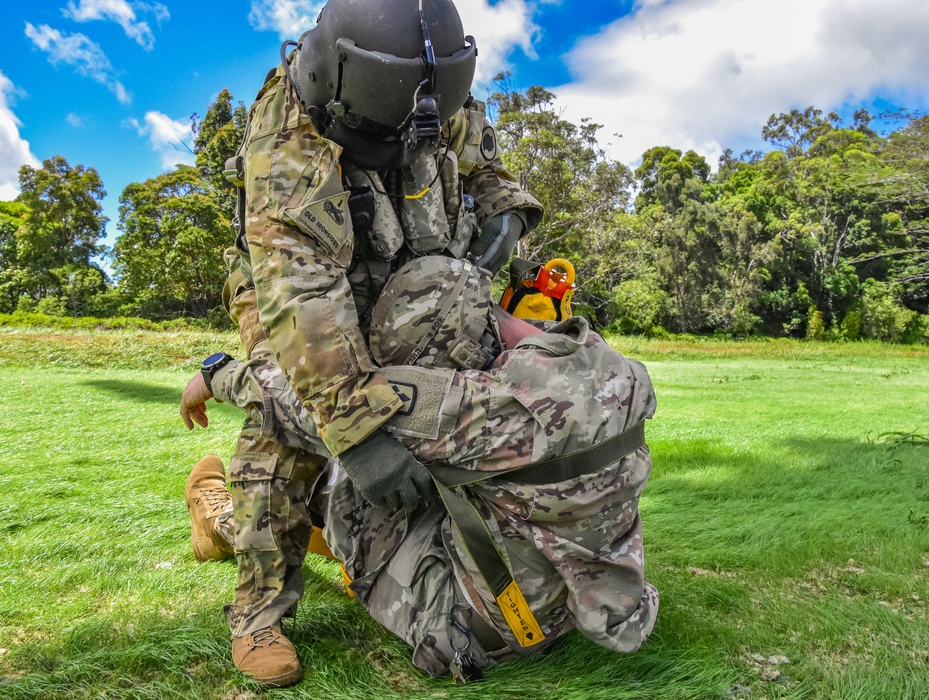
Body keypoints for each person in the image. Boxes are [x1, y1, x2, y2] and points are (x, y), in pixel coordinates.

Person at [184, 0, 543, 685]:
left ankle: (343, 531)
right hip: (292, 291)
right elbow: (306, 303)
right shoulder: (284, 143)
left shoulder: (428, 87)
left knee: (429, 420)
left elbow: (483, 166)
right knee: (286, 408)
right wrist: (357, 435)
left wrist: (506, 219)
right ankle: (257, 611)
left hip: (411, 269)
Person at [182, 256, 658, 680]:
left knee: (355, 459)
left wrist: (215, 373)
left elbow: (306, 401)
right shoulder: (619, 368)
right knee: (434, 475)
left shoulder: (481, 409)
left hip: (463, 626)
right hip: (567, 605)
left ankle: (222, 521)